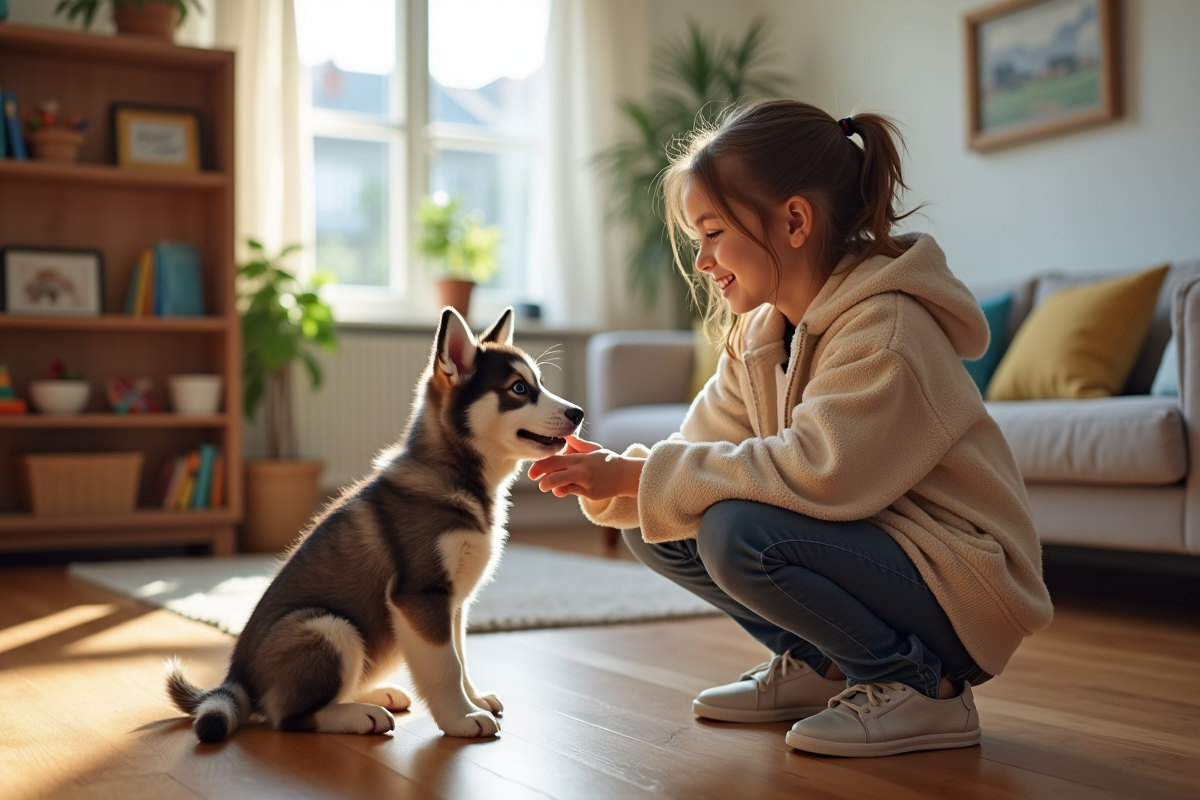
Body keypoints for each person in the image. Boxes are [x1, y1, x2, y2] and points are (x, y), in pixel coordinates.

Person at [528, 99, 1053, 758]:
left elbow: (819, 471)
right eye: (698, 240)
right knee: (649, 514)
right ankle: (821, 665)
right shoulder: (759, 332)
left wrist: (643, 474)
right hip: (886, 554)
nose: (702, 262)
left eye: (713, 233)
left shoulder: (886, 326)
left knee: (735, 531)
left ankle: (923, 688)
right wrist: (617, 474)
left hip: (959, 582)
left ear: (795, 220)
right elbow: (698, 452)